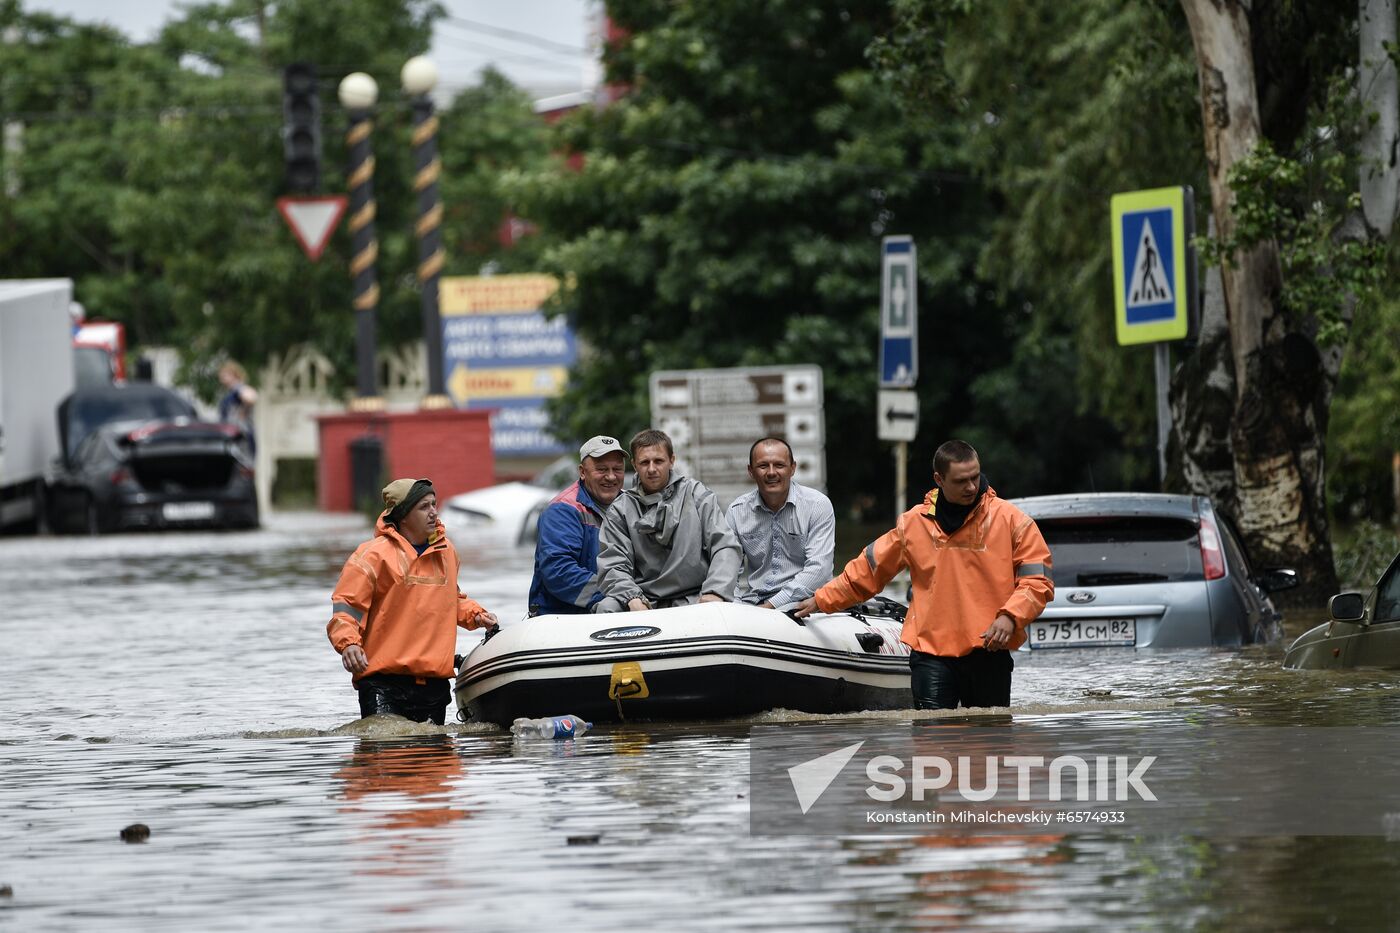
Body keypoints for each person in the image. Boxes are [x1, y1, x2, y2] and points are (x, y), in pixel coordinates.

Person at [794, 440, 1053, 709]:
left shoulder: (1012, 520)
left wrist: (1010, 617)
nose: (972, 487)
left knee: (990, 740)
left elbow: (1038, 582)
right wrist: (822, 600)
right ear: (939, 479)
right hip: (931, 653)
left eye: (976, 477)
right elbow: (868, 570)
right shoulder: (913, 524)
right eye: (962, 480)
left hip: (989, 650)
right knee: (933, 742)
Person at [327, 478, 498, 724]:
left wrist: (476, 614)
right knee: (385, 754)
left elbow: (450, 599)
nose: (434, 512)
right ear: (403, 515)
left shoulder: (447, 552)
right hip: (383, 683)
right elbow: (345, 608)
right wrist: (349, 644)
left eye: (434, 504)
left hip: (434, 684)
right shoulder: (371, 555)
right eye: (424, 507)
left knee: (434, 760)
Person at [596, 428, 741, 611]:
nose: (651, 469)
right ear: (634, 464)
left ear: (672, 460)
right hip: (643, 600)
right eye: (644, 462)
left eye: (658, 461)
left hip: (695, 595)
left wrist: (715, 591)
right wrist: (632, 597)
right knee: (606, 608)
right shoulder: (620, 509)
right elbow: (614, 564)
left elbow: (725, 546)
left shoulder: (696, 494)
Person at [726, 436, 835, 612]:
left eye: (779, 465)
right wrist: (738, 609)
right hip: (753, 603)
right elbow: (727, 572)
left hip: (805, 603)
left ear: (793, 468)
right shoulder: (736, 511)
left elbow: (819, 570)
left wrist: (770, 607)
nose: (771, 472)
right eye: (763, 466)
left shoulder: (817, 505)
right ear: (750, 471)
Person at [528, 435, 627, 615]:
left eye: (617, 469)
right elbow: (559, 571)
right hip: (563, 617)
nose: (611, 476)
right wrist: (619, 594)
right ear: (582, 472)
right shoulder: (562, 510)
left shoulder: (631, 505)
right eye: (602, 469)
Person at [217, 361, 258, 453]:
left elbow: (251, 397)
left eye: (225, 374)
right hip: (232, 437)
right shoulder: (229, 393)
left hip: (242, 438)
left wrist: (244, 411)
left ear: (233, 374)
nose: (221, 378)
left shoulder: (238, 389)